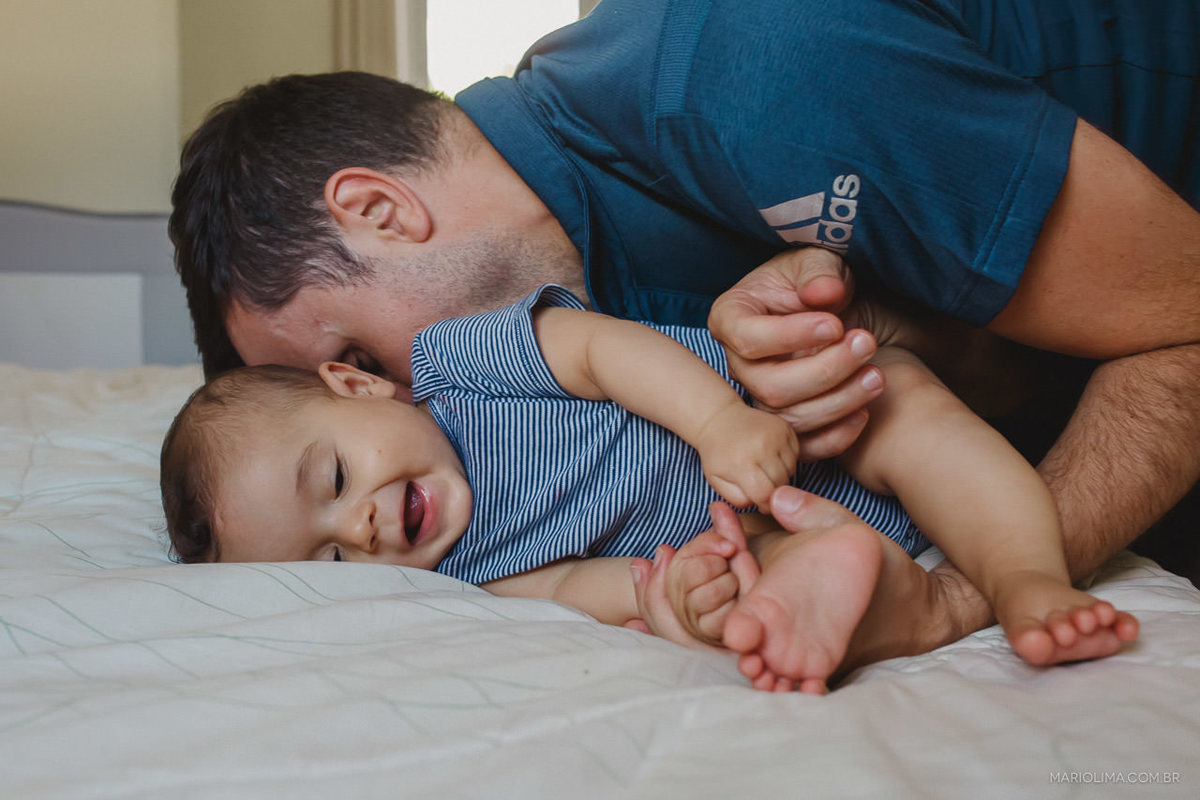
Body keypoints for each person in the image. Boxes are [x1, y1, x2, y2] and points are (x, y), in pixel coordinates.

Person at [168, 1, 1200, 662]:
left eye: (352, 358)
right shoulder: (583, 278)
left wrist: (955, 600)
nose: (393, 391)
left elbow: (1185, 325)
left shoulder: (746, 77)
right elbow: (1005, 359)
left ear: (380, 211)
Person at [160, 286, 1137, 692]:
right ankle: (843, 576)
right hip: (754, 531)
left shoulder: (461, 364)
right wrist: (669, 600)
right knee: (754, 597)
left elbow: (600, 352)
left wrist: (720, 421)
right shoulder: (464, 582)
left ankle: (1025, 580)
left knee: (908, 407)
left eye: (333, 476)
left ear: (359, 384)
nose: (363, 526)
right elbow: (584, 591)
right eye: (330, 556)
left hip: (792, 421)